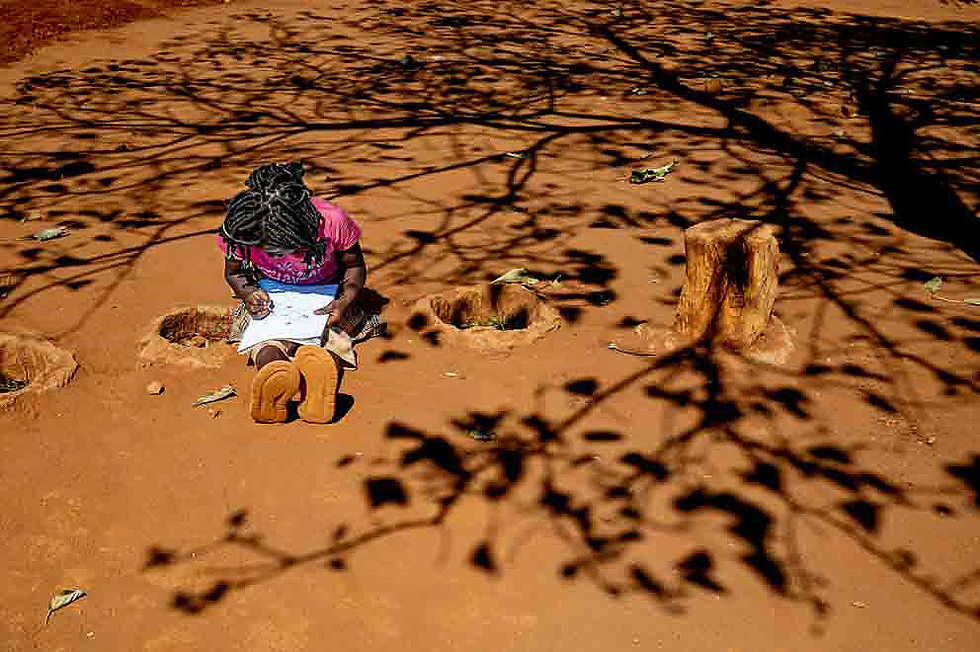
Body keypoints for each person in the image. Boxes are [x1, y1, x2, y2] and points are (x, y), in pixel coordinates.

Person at [217, 162, 381, 424]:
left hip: (328, 299)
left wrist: (343, 301)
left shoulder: (333, 221)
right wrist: (249, 294)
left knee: (334, 332)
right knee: (261, 333)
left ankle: (316, 376)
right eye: (268, 251)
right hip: (272, 300)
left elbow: (355, 267)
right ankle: (274, 370)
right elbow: (234, 273)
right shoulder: (241, 231)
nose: (278, 256)